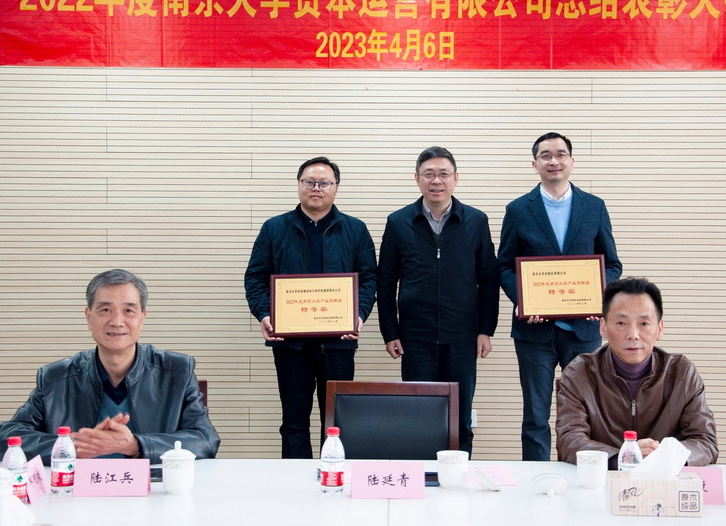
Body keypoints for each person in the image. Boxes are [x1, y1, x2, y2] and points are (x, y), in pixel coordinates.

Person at [0, 269, 220, 464]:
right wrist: (73, 447)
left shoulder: (177, 372)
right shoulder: (56, 378)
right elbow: (8, 438)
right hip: (79, 494)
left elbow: (205, 440)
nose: (117, 321)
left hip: (155, 492)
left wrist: (136, 445)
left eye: (129, 310)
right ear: (88, 316)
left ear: (142, 317)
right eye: (105, 310)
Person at [497, 132, 622, 461]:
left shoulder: (594, 207)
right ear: (534, 164)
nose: (554, 161)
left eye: (561, 154)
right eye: (546, 155)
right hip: (534, 332)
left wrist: (598, 297)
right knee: (535, 416)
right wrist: (523, 300)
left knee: (587, 412)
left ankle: (585, 473)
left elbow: (612, 264)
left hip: (583, 330)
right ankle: (535, 477)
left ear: (572, 161)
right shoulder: (518, 209)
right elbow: (504, 266)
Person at [244, 157, 377, 459]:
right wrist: (265, 314)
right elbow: (255, 278)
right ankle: (295, 482)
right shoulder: (274, 228)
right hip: (291, 345)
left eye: (324, 183)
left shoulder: (355, 229)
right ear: (299, 185)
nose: (316, 188)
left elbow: (369, 279)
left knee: (336, 424)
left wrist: (358, 315)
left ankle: (333, 476)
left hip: (339, 343)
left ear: (336, 187)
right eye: (309, 182)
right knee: (293, 423)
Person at [376, 146, 499, 455]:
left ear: (456, 178)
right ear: (417, 179)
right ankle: (421, 475)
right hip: (415, 337)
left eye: (444, 174)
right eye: (428, 174)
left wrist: (485, 330)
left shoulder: (476, 221)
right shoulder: (399, 221)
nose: (436, 181)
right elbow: (386, 281)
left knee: (460, 417)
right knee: (418, 415)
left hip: (463, 337)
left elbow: (488, 279)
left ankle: (459, 474)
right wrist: (390, 332)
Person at [556, 277, 719, 467]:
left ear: (659, 329)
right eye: (621, 323)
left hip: (662, 478)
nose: (633, 334)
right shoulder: (579, 373)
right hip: (602, 477)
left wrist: (664, 457)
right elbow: (570, 440)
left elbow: (704, 442)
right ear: (603, 328)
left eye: (644, 323)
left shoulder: (682, 373)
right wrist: (624, 457)